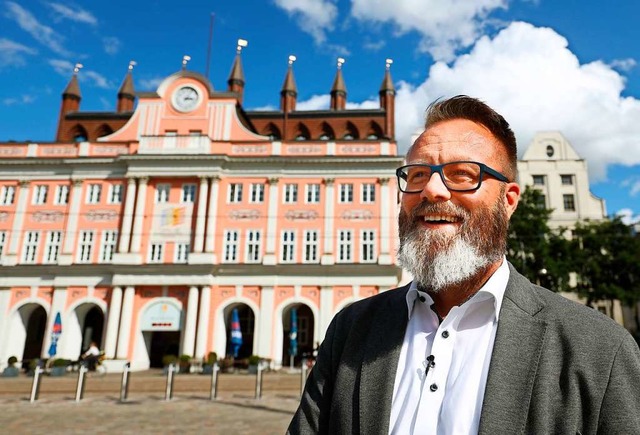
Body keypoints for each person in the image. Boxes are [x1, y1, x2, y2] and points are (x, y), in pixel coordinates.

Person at [288, 95, 640, 434]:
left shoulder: (600, 350)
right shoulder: (350, 330)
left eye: (462, 174)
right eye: (417, 175)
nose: (432, 190)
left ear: (509, 201)